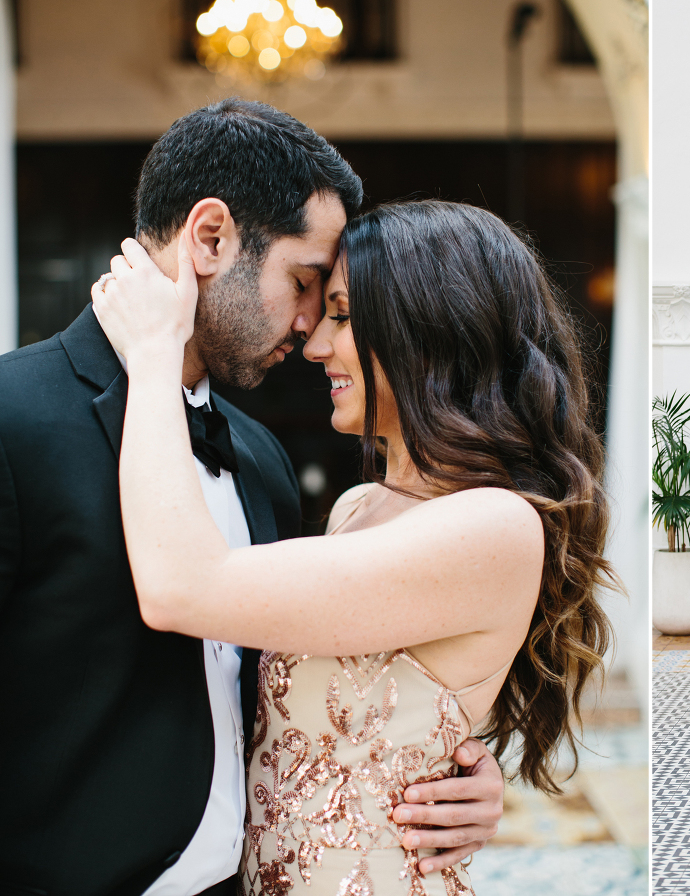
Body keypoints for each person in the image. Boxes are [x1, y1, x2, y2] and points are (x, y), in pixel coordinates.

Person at [0, 100, 505, 896]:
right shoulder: (10, 418)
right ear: (211, 238)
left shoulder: (260, 458)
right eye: (304, 283)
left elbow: (294, 687)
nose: (310, 329)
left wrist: (451, 769)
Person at [90, 195, 616, 893]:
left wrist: (154, 357)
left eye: (341, 314)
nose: (313, 343)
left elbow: (184, 587)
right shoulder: (356, 506)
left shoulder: (496, 525)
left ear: (428, 328)